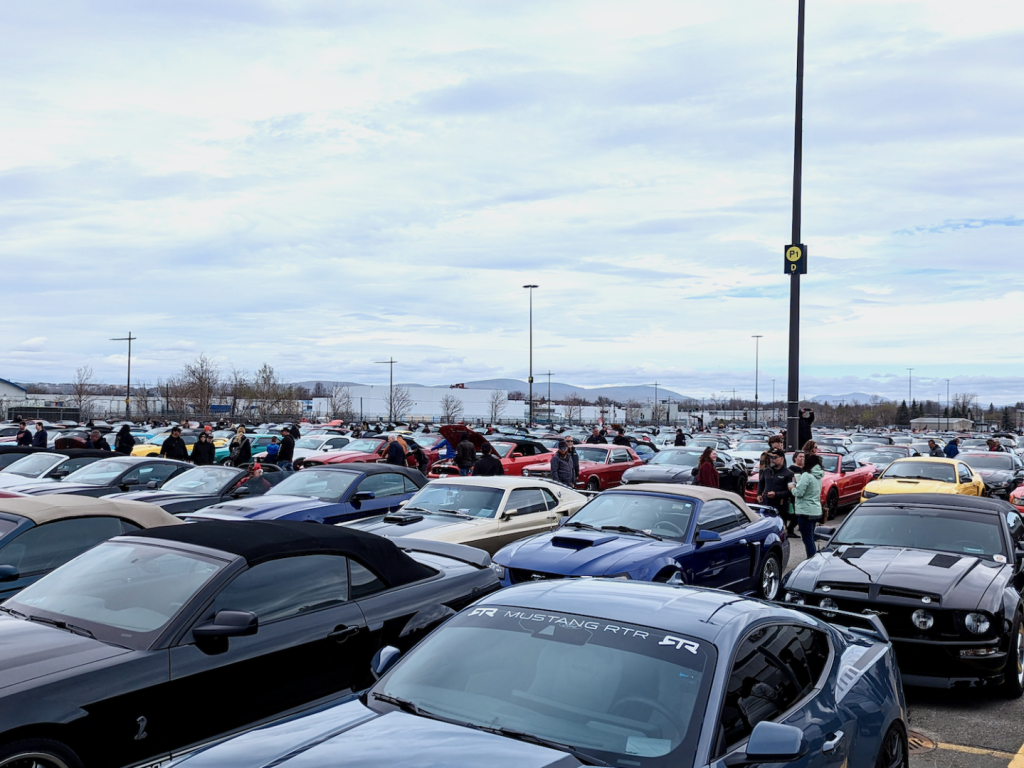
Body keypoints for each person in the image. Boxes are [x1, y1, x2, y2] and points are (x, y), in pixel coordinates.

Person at [792, 453, 824, 558]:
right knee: (810, 536)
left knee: (807, 539)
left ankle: (811, 559)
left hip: (805, 510)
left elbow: (799, 492)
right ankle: (813, 557)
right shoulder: (818, 475)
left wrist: (792, 488)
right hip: (815, 509)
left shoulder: (806, 475)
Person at [758, 449, 795, 534]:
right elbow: (761, 482)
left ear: (782, 458)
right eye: (771, 457)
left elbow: (790, 491)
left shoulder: (788, 473)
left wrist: (776, 495)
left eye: (774, 457)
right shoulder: (767, 470)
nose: (772, 459)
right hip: (766, 505)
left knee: (780, 532)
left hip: (780, 507)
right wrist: (759, 494)